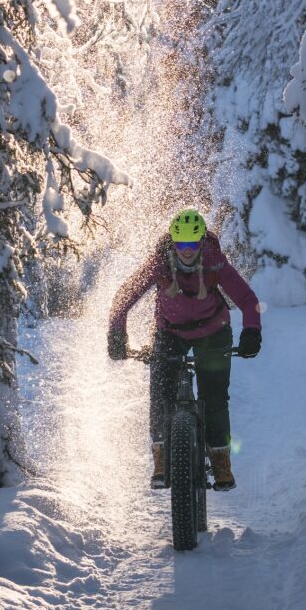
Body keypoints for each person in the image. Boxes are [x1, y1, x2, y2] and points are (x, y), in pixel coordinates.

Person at [107, 207, 262, 490]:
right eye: (181, 243)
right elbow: (124, 296)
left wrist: (252, 331)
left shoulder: (215, 261)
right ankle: (162, 458)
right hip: (170, 332)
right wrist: (117, 333)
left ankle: (220, 463)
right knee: (160, 394)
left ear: (202, 240)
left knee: (214, 399)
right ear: (174, 241)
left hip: (213, 332)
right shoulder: (159, 263)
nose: (187, 250)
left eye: (193, 243)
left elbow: (247, 298)